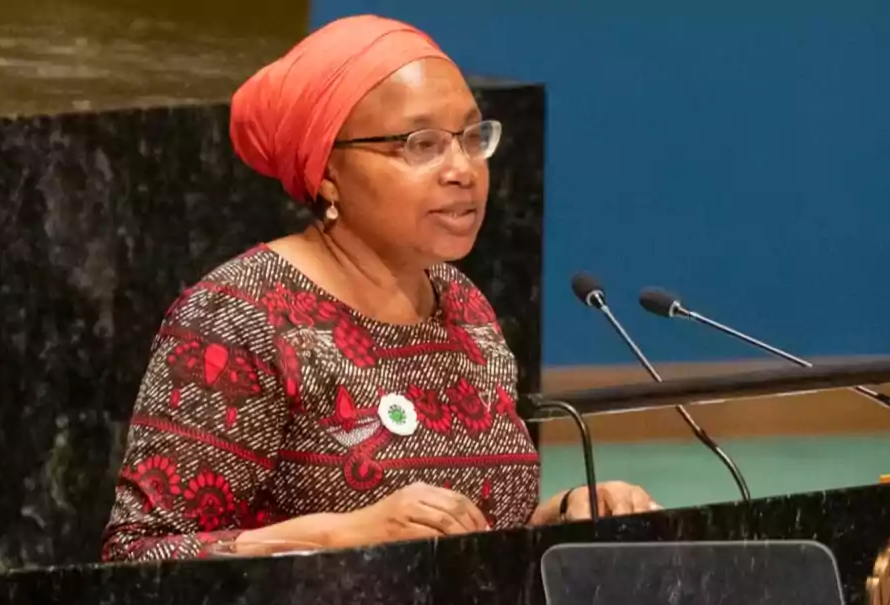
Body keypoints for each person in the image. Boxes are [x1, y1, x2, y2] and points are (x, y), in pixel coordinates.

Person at [101, 14, 659, 561]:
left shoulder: (463, 305)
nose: (461, 169)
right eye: (421, 144)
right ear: (327, 172)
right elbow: (140, 557)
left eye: (471, 137)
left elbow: (472, 533)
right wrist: (337, 537)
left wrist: (564, 515)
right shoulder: (241, 317)